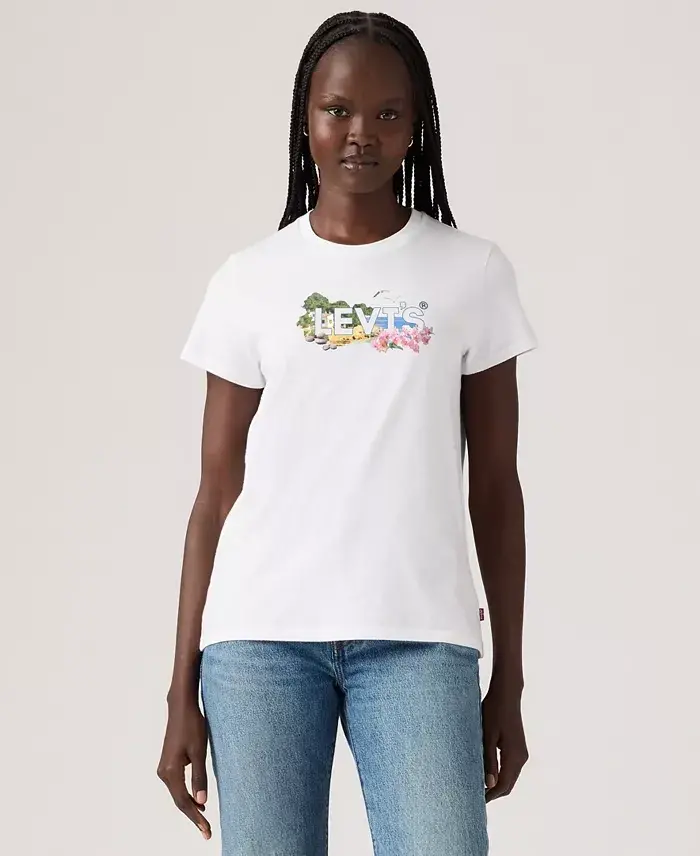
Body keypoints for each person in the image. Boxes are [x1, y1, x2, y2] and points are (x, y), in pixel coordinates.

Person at [157, 10, 537, 855]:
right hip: (259, 641)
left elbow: (496, 489)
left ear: (416, 125)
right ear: (306, 118)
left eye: (387, 113)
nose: (361, 132)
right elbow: (215, 493)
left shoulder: (471, 272)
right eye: (338, 110)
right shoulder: (249, 281)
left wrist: (509, 677)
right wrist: (180, 688)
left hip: (419, 640)